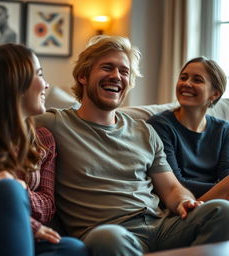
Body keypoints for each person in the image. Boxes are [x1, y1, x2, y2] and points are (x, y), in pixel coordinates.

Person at [36, 35, 229, 255]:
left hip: (160, 227)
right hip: (111, 232)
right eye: (107, 67)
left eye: (124, 71)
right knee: (108, 237)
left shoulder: (144, 130)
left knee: (222, 211)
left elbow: (171, 189)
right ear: (83, 76)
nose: (116, 76)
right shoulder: (54, 123)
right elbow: (5, 125)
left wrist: (184, 201)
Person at [0, 43, 89, 256]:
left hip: (18, 233)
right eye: (39, 75)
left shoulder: (44, 140)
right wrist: (29, 221)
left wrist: (21, 188)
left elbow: (47, 207)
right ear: (14, 82)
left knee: (74, 248)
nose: (46, 85)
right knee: (7, 190)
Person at [147, 56, 229, 202]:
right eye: (183, 78)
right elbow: (175, 183)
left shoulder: (224, 130)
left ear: (214, 94)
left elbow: (225, 175)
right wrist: (220, 188)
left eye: (197, 80)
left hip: (217, 202)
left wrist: (222, 189)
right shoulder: (159, 125)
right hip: (179, 205)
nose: (186, 84)